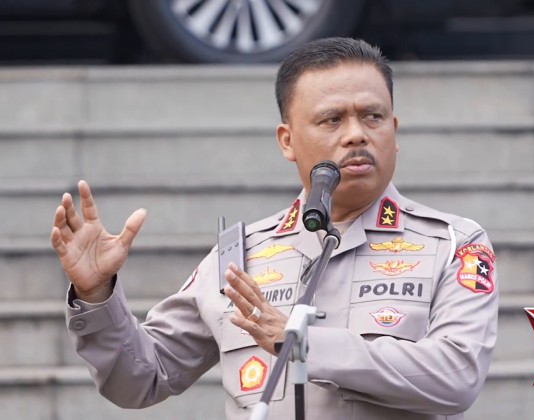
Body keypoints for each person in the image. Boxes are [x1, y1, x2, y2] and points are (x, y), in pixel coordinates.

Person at [51, 37, 498, 420]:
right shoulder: (239, 257)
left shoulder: (452, 244)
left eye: (373, 117)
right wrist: (96, 293)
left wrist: (302, 345)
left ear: (394, 131)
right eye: (332, 119)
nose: (356, 135)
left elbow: (456, 375)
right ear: (287, 141)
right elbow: (140, 379)